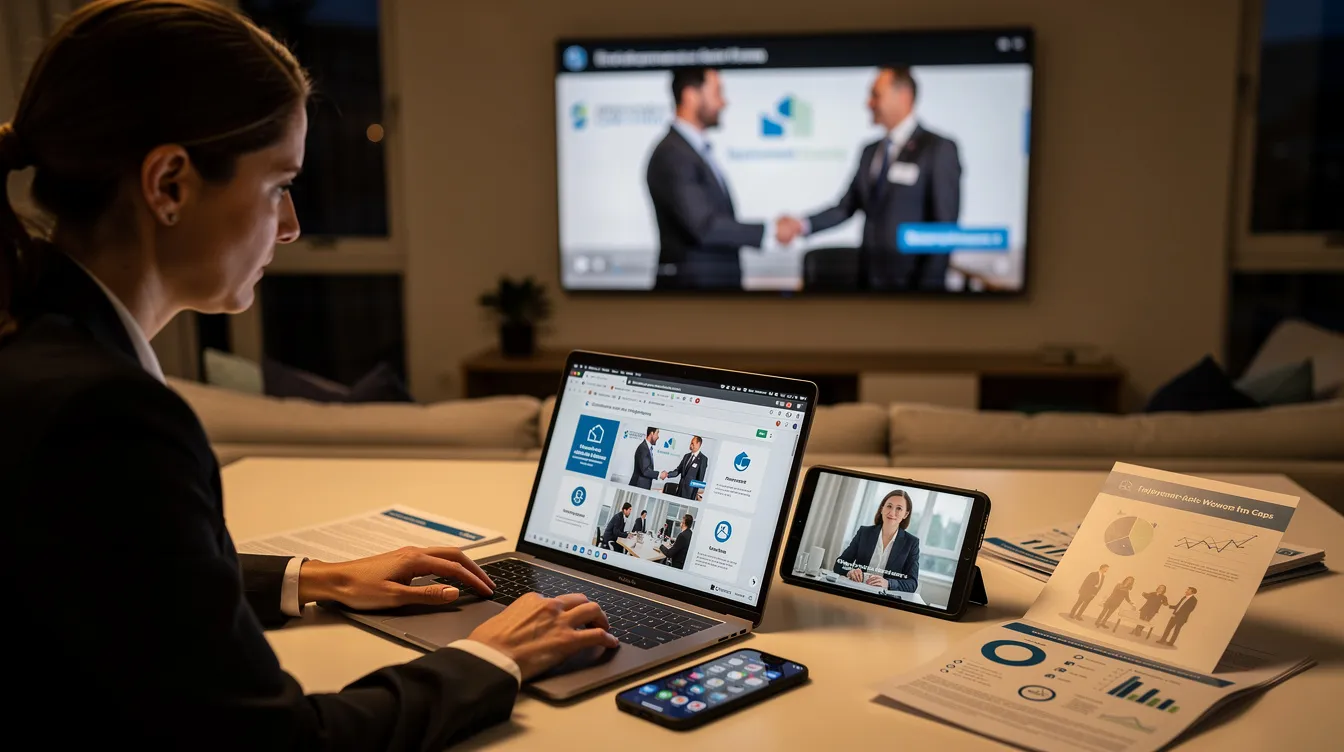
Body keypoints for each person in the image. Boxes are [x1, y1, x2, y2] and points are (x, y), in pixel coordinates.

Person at [0, 2, 617, 747]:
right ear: (169, 184)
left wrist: (317, 578)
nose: (291, 225)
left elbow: (120, 577)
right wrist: (492, 657)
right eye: (277, 185)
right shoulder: (105, 416)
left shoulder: (35, 346)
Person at [786, 66, 962, 291]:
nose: (868, 103)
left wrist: (926, 297)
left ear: (904, 96)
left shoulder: (937, 149)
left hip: (912, 290)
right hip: (868, 285)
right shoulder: (869, 152)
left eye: (876, 95)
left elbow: (944, 231)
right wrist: (801, 225)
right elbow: (845, 207)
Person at [646, 67, 785, 290]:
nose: (724, 103)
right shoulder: (672, 154)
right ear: (690, 96)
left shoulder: (692, 151)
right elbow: (704, 227)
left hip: (713, 292)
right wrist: (770, 231)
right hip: (692, 296)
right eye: (718, 93)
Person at [832, 489, 921, 593]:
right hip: (857, 589)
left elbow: (912, 583)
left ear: (905, 514)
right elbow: (839, 564)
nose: (892, 512)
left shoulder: (912, 543)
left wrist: (888, 583)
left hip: (884, 596)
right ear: (882, 509)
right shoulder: (864, 533)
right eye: (889, 506)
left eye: (899, 508)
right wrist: (849, 571)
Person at [664, 435, 708, 500]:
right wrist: (667, 474)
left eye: (692, 443)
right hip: (679, 491)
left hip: (689, 494)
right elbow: (678, 470)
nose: (690, 445)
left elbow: (700, 479)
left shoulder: (703, 459)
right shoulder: (686, 456)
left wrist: (693, 495)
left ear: (698, 444)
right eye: (690, 443)